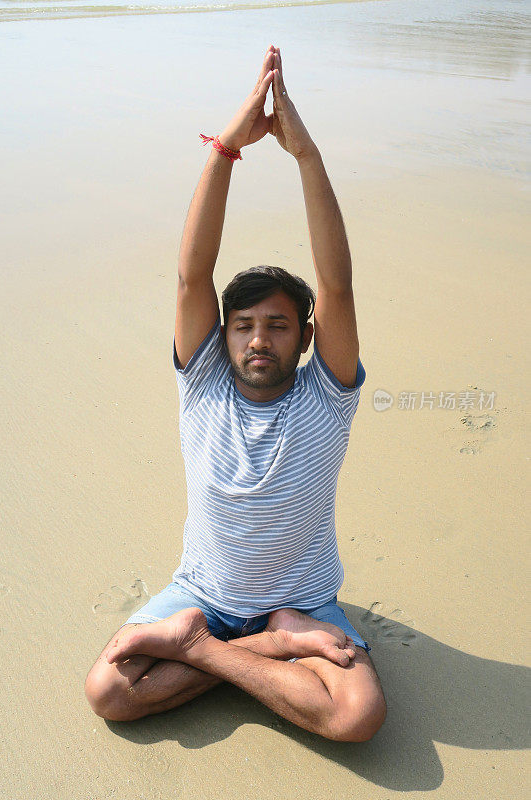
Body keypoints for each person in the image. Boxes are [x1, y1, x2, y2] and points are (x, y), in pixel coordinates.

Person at [85, 45, 386, 742]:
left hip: (305, 600)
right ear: (220, 337)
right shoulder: (202, 385)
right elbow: (193, 278)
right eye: (244, 325)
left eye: (278, 326)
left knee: (359, 717)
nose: (258, 339)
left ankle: (209, 649)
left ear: (305, 338)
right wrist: (225, 147)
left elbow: (336, 286)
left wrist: (305, 155)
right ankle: (273, 647)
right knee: (107, 691)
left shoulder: (326, 394)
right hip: (204, 596)